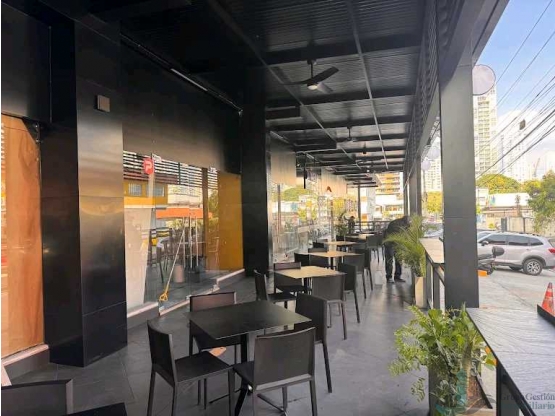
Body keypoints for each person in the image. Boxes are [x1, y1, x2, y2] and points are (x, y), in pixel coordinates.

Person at [383, 216, 409, 283]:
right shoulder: (396, 224)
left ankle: (395, 277)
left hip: (396, 244)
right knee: (390, 260)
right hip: (390, 243)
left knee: (397, 260)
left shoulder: (401, 223)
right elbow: (398, 234)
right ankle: (390, 277)